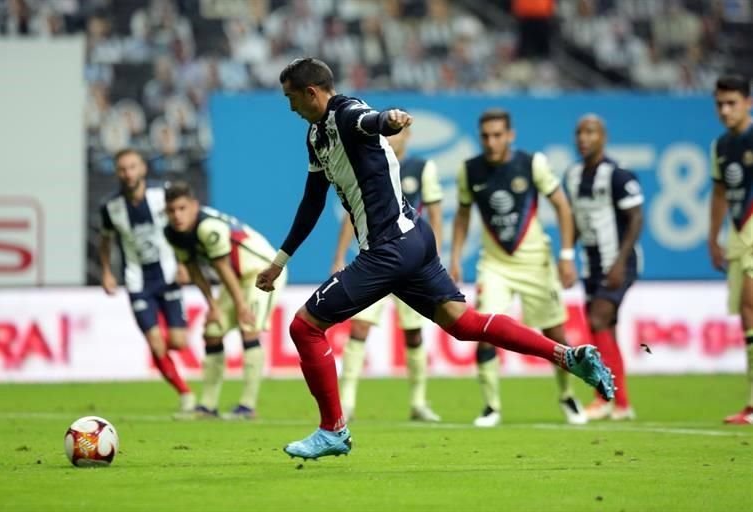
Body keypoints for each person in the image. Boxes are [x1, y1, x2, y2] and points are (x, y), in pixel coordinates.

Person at [255, 58, 613, 460]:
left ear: (312, 93)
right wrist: (280, 260)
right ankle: (567, 356)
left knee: (305, 328)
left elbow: (371, 121)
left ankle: (333, 429)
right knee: (464, 324)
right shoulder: (315, 136)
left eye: (291, 98)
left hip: (389, 247)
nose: (290, 108)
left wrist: (390, 120)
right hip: (412, 240)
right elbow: (312, 202)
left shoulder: (345, 112)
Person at [450, 108, 586, 427]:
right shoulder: (469, 171)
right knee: (484, 330)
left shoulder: (532, 164)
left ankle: (567, 396)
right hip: (494, 265)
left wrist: (567, 255)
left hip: (536, 263)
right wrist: (455, 256)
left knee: (555, 332)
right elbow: (462, 215)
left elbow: (563, 207)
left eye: (498, 135)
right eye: (485, 136)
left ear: (510, 136)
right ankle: (491, 406)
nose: (491, 142)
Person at [331, 123, 443, 423]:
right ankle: (348, 403)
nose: (391, 139)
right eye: (386, 134)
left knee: (414, 333)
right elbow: (352, 215)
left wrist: (435, 256)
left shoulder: (421, 169)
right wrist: (339, 255)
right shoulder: (369, 167)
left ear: (407, 136)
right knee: (359, 329)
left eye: (396, 134)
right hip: (374, 260)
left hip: (411, 262)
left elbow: (434, 215)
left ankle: (419, 402)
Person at [163, 181, 286, 420]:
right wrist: (212, 306)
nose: (177, 216)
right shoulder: (172, 233)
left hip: (261, 271)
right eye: (171, 210)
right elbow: (194, 270)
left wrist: (240, 306)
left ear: (194, 206)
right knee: (212, 331)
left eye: (182, 208)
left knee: (248, 328)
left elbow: (222, 267)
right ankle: (207, 407)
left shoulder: (208, 227)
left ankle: (247, 407)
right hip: (236, 280)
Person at [99, 149, 195, 412]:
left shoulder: (161, 195)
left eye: (132, 167)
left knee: (178, 342)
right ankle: (185, 394)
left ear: (142, 168)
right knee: (155, 342)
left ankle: (173, 367)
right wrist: (106, 271)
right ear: (117, 172)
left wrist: (185, 263)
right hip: (137, 282)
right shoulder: (111, 207)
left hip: (168, 274)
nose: (128, 173)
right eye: (122, 169)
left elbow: (181, 225)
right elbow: (105, 241)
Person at [564, 114, 643, 421]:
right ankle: (621, 404)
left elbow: (636, 218)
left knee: (598, 320)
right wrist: (568, 256)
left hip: (618, 262)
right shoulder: (572, 175)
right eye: (580, 132)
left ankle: (604, 397)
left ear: (603, 137)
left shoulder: (618, 175)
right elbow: (572, 220)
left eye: (591, 132)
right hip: (591, 262)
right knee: (604, 328)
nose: (584, 138)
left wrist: (620, 262)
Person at [708, 75, 753, 425]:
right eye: (720, 104)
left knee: (750, 305)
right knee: (746, 315)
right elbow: (720, 193)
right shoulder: (721, 146)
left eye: (732, 103)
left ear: (748, 103)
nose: (725, 110)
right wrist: (713, 237)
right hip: (737, 235)